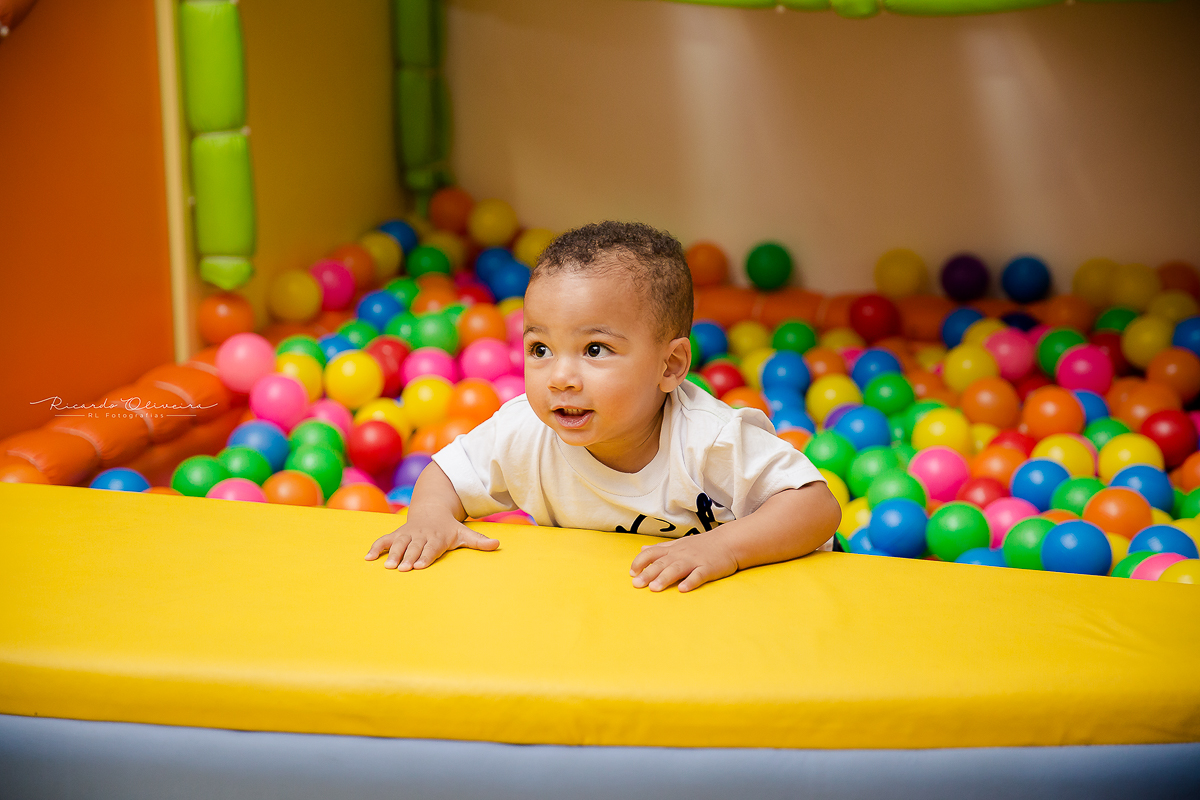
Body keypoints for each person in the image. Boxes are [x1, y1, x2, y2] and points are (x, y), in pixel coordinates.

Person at [365, 221, 840, 592]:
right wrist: (430, 517)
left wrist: (725, 548)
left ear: (671, 366)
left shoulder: (707, 438)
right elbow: (446, 474)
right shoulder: (525, 432)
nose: (560, 378)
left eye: (594, 350)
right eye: (540, 349)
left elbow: (816, 507)